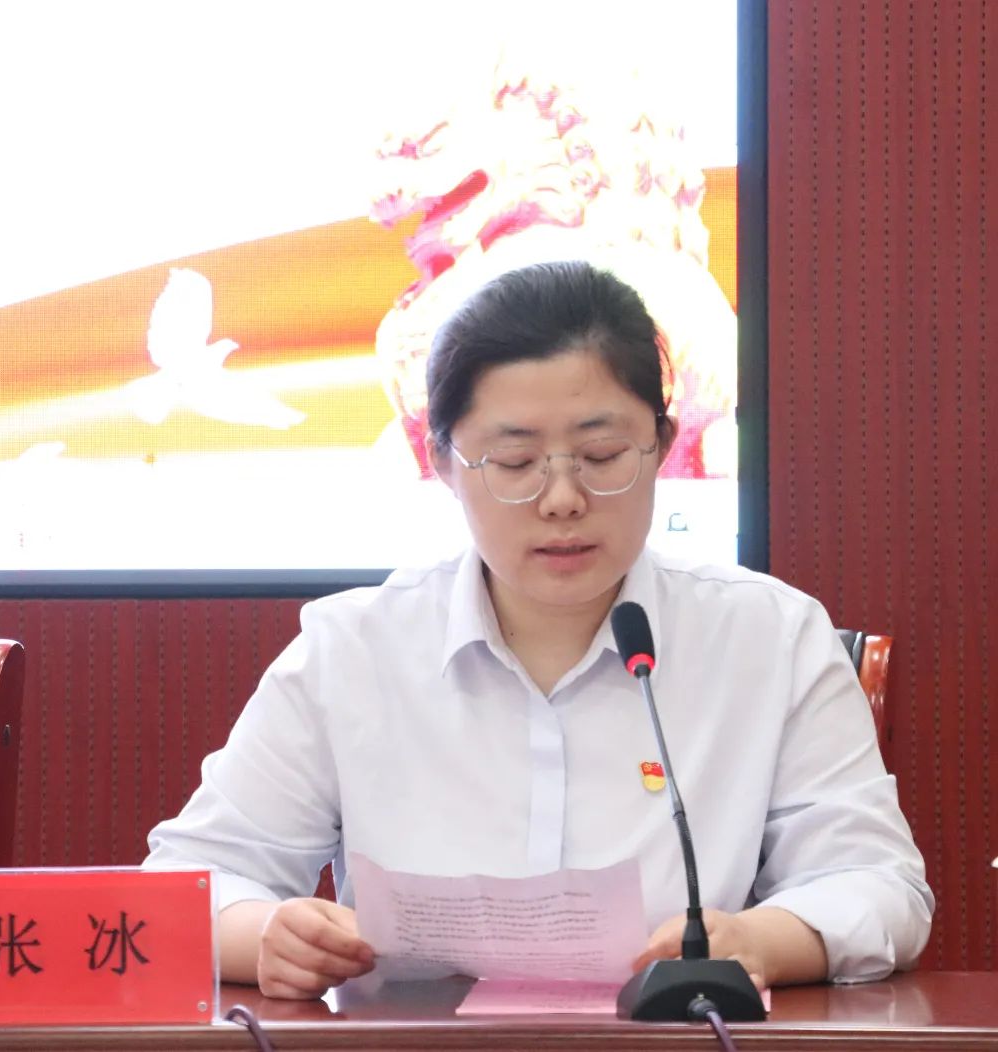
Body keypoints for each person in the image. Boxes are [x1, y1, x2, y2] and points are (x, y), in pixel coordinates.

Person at [144, 260, 933, 1000]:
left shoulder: (770, 639)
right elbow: (187, 884)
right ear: (442, 462)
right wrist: (266, 935)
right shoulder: (352, 652)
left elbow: (878, 885)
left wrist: (761, 939)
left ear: (661, 445)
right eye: (516, 464)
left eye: (602, 454)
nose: (562, 499)